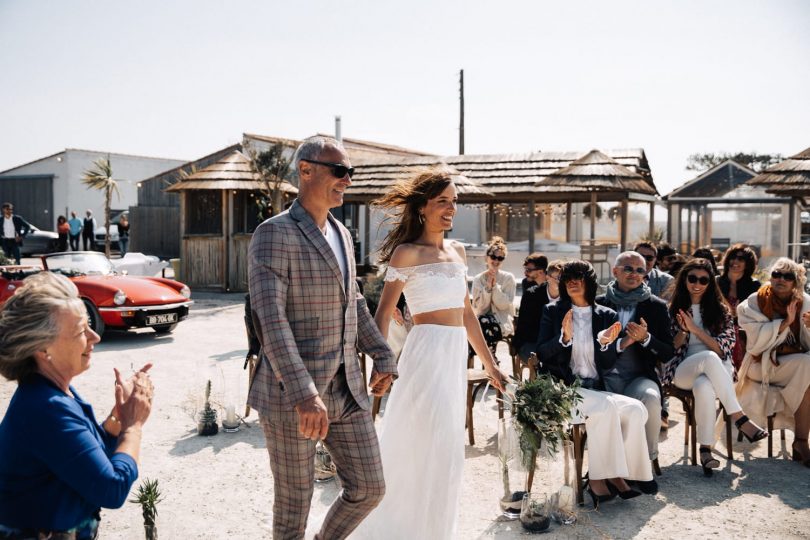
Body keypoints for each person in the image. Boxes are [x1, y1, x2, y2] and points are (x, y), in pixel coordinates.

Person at [247, 135, 398, 540]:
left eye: (351, 172)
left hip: (347, 390)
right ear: (306, 170)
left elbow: (355, 305)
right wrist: (303, 394)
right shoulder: (273, 233)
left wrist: (383, 355)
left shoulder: (343, 235)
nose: (348, 180)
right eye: (340, 171)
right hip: (292, 398)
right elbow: (271, 322)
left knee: (369, 487)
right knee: (293, 507)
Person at [350, 166, 508, 539]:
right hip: (425, 352)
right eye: (442, 202)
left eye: (454, 202)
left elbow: (467, 312)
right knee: (422, 439)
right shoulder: (406, 253)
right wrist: (381, 362)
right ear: (423, 206)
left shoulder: (457, 251)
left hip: (454, 354)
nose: (450, 209)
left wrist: (490, 365)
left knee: (448, 446)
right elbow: (384, 312)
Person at [0, 271, 153, 538]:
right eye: (82, 330)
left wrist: (118, 417)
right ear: (43, 348)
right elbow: (111, 488)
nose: (95, 337)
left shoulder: (54, 392)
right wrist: (133, 426)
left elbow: (85, 461)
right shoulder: (45, 408)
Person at [537, 260, 654, 508]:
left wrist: (605, 344)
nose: (572, 282)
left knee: (635, 409)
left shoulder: (606, 315)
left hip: (596, 390)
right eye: (568, 277)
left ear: (589, 281)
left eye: (579, 276)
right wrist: (564, 338)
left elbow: (608, 363)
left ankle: (625, 473)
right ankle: (605, 477)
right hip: (565, 391)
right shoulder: (552, 311)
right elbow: (543, 353)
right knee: (605, 407)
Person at [661, 258, 768, 475]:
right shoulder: (671, 310)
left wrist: (696, 329)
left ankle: (705, 450)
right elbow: (669, 350)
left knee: (704, 385)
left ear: (711, 283)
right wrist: (684, 331)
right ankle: (739, 417)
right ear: (684, 280)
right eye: (692, 278)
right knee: (706, 360)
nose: (697, 284)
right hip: (684, 369)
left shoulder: (721, 310)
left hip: (719, 366)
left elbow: (723, 350)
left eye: (703, 279)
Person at [596, 251, 673, 489]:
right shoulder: (598, 303)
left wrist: (646, 338)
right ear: (615, 271)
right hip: (604, 378)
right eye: (628, 268)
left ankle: (645, 465)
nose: (634, 274)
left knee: (651, 398)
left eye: (640, 270)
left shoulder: (656, 307)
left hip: (638, 377)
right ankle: (605, 470)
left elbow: (667, 352)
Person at [735, 257, 810, 468]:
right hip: (760, 366)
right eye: (777, 274)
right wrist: (785, 322)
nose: (781, 279)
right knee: (808, 367)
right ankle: (802, 442)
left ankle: (801, 441)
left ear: (796, 281)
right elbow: (756, 346)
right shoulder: (754, 302)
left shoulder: (805, 302)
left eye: (788, 276)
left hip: (794, 363)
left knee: (807, 372)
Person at [717, 244, 761, 372]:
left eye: (741, 259)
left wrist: (740, 313)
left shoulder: (754, 285)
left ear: (747, 264)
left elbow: (758, 312)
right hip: (718, 330)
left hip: (745, 331)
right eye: (732, 257)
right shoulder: (716, 281)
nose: (735, 261)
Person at [471, 236, 516, 355]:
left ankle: (487, 359)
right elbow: (481, 308)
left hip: (501, 320)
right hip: (482, 320)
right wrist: (488, 288)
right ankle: (491, 359)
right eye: (493, 257)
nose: (496, 261)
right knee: (480, 322)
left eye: (500, 258)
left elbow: (503, 305)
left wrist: (495, 287)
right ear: (486, 258)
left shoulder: (508, 278)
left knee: (483, 323)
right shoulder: (478, 279)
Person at [513, 252, 550, 365]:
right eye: (525, 269)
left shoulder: (555, 290)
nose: (525, 273)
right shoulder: (528, 287)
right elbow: (524, 320)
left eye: (529, 270)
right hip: (530, 341)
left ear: (540, 271)